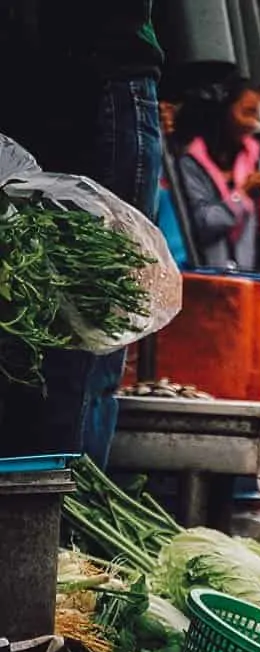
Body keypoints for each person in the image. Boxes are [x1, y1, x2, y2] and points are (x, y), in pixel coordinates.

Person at [0, 0, 163, 467]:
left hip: (79, 74)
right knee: (70, 339)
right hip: (75, 76)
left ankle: (48, 524)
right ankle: (48, 524)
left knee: (73, 334)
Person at [176, 80, 260, 283]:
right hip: (202, 281)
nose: (252, 123)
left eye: (256, 114)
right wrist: (241, 196)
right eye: (247, 112)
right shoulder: (190, 162)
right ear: (224, 112)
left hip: (243, 280)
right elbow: (202, 223)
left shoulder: (252, 157)